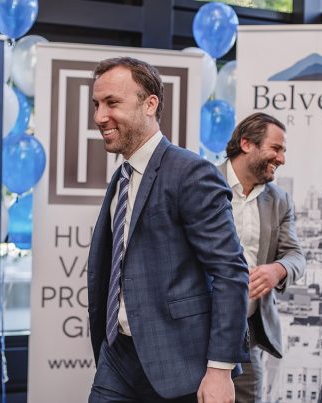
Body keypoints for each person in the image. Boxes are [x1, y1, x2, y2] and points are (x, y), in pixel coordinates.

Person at [87, 57, 250, 403]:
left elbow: (230, 273)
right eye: (97, 104)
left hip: (180, 364)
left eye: (112, 102)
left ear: (150, 104)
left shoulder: (191, 173)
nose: (100, 116)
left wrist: (220, 370)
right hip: (118, 357)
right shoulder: (122, 177)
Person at [218, 113, 306, 403]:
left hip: (247, 334)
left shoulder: (279, 200)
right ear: (246, 144)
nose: (282, 159)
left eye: (283, 151)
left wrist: (277, 270)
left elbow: (296, 255)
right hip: (197, 329)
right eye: (276, 148)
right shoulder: (203, 182)